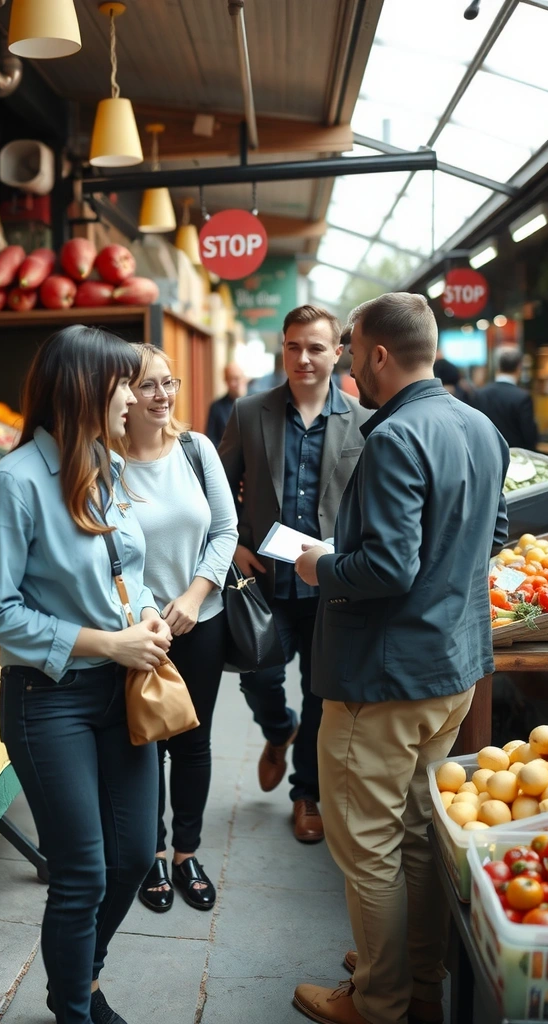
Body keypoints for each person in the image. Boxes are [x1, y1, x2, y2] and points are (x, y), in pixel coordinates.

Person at [292, 293, 508, 1024]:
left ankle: (378, 1002)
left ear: (378, 354)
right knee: (416, 832)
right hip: (452, 668)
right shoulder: (480, 427)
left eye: (351, 350)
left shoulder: (393, 437)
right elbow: (494, 533)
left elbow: (387, 566)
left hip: (383, 680)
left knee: (367, 844)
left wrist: (321, 565)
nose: (348, 364)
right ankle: (418, 978)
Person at [0, 325, 174, 1024]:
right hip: (47, 702)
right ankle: (73, 1008)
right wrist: (110, 643)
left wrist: (146, 617)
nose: (136, 399)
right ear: (87, 389)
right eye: (124, 385)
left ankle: (81, 979)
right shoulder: (14, 483)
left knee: (136, 856)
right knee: (83, 872)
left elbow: (128, 571)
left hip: (122, 692)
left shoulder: (104, 464)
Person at [218, 305, 369, 844]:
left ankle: (307, 794)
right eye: (293, 347)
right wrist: (235, 545)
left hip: (332, 586)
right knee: (258, 675)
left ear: (337, 353)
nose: (303, 358)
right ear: (282, 348)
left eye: (315, 348)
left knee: (321, 695)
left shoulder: (365, 421)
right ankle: (279, 730)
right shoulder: (249, 411)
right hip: (266, 582)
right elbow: (217, 490)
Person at [120, 344, 237, 914]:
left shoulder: (196, 449)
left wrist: (195, 595)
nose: (163, 395)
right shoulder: (103, 460)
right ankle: (153, 854)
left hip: (201, 620)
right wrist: (144, 613)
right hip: (135, 631)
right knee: (145, 744)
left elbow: (226, 529)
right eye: (148, 385)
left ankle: (187, 852)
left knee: (193, 742)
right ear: (123, 394)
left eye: (168, 382)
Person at [474, 348, 538, 451]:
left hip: (487, 452)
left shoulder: (480, 394)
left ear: (498, 367)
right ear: (519, 368)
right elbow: (529, 435)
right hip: (515, 456)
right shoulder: (522, 397)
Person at [205, 362, 249, 445]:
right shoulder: (216, 407)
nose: (238, 383)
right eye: (233, 379)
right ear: (226, 381)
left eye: (240, 378)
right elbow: (211, 440)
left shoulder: (256, 403)